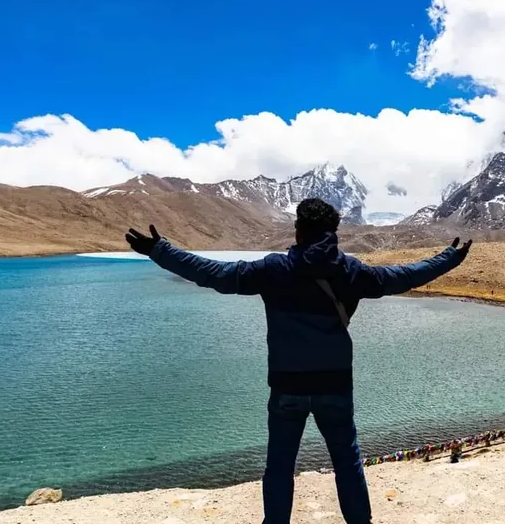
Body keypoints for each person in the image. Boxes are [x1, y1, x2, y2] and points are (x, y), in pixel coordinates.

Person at [125, 198, 472, 524]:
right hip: (335, 386)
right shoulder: (351, 272)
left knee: (279, 465)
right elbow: (404, 276)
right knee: (347, 463)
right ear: (334, 232)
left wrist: (160, 251)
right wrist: (448, 259)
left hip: (287, 387)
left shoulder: (274, 270)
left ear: (298, 231)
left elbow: (214, 274)